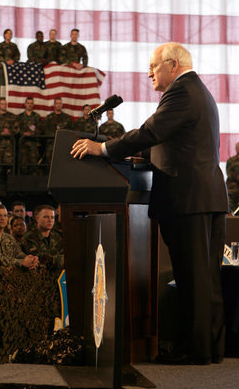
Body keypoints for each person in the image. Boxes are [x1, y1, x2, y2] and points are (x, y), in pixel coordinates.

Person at [71, 42, 228, 365]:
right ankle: (209, 348)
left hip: (188, 199)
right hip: (205, 195)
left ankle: (193, 351)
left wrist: (103, 149)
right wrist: (140, 154)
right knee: (205, 277)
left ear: (172, 64)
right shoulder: (198, 91)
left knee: (192, 277)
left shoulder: (181, 92)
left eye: (153, 66)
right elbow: (177, 142)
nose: (149, 74)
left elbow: (152, 131)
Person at [0, 205, 38, 269]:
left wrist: (31, 259)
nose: (2, 218)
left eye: (5, 215)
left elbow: (19, 254)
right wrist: (21, 262)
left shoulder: (9, 238)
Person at [21, 205, 63, 271]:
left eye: (52, 217)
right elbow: (39, 259)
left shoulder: (57, 236)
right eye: (46, 217)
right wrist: (60, 260)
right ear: (37, 218)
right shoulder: (29, 237)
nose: (50, 220)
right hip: (37, 275)